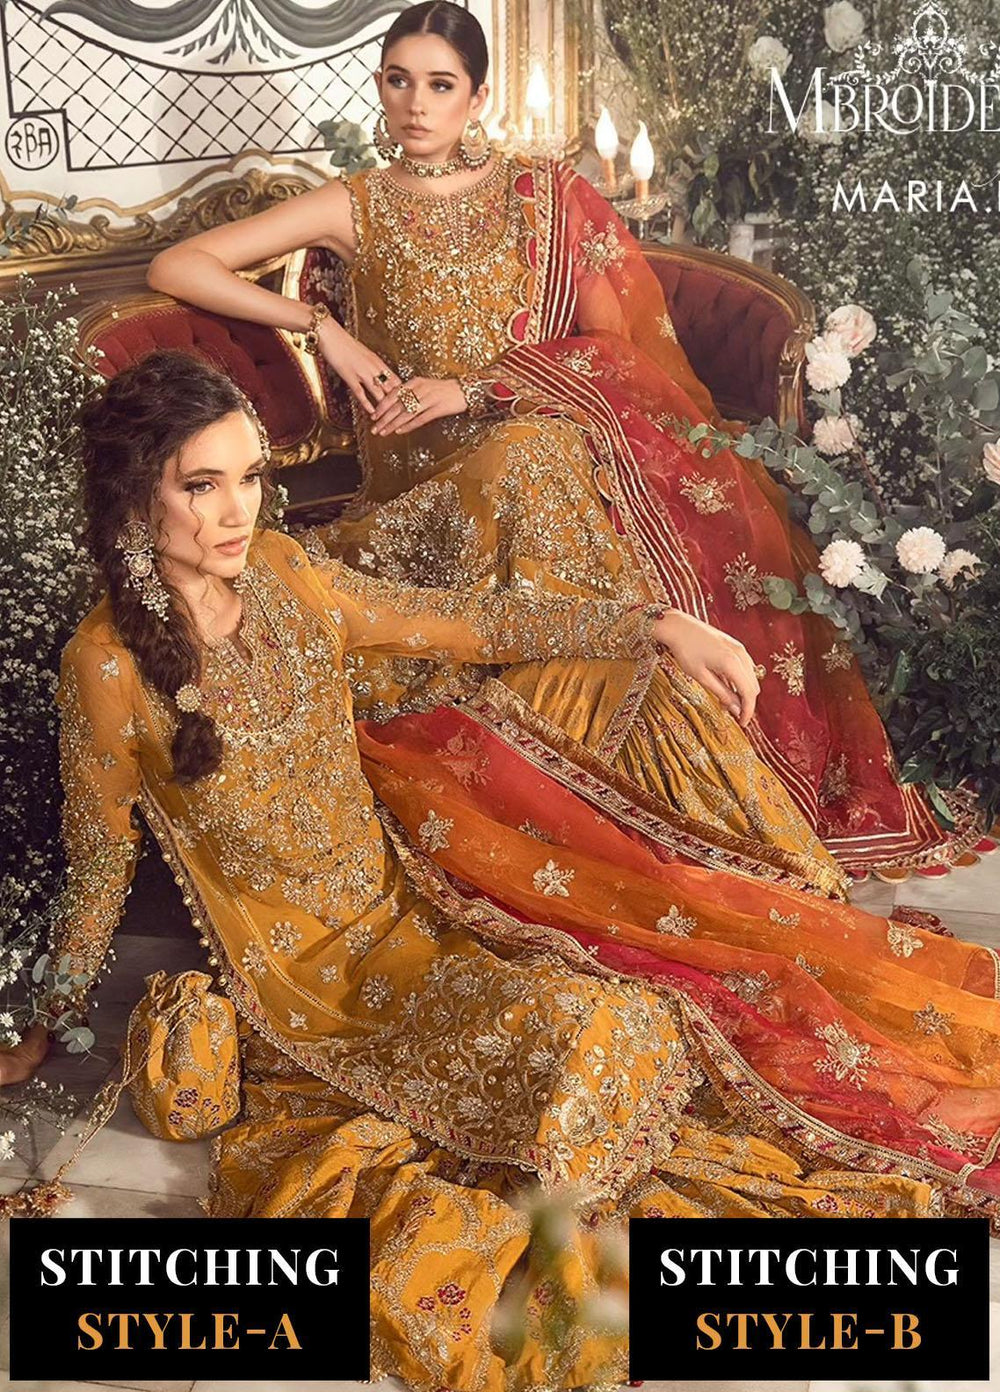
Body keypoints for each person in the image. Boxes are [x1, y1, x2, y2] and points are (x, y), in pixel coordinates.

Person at [6, 350, 1000, 1392]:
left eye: (249, 477)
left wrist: (652, 626)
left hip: (415, 911)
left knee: (636, 1017)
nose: (236, 511)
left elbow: (472, 622)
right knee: (589, 1041)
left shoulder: (290, 578)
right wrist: (50, 1023)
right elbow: (101, 859)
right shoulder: (105, 667)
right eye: (202, 486)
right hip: (313, 997)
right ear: (135, 496)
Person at [142, 3, 990, 883]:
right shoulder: (353, 204)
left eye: (440, 85)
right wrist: (320, 324)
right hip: (425, 493)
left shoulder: (544, 197)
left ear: (477, 97)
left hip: (543, 451)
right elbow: (179, 265)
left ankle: (662, 783)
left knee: (536, 457)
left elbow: (611, 352)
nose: (416, 105)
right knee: (529, 462)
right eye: (399, 81)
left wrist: (475, 389)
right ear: (381, 87)